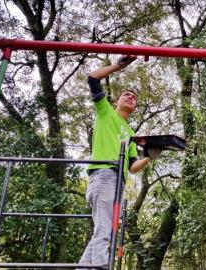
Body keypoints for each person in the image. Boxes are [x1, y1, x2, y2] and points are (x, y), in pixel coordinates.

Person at [78, 55, 161, 268]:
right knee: (104, 233)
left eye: (134, 97)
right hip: (104, 175)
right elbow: (92, 78)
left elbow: (132, 167)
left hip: (118, 184)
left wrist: (149, 156)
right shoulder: (105, 113)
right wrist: (118, 66)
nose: (130, 97)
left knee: (104, 232)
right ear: (116, 102)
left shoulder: (131, 133)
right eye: (126, 94)